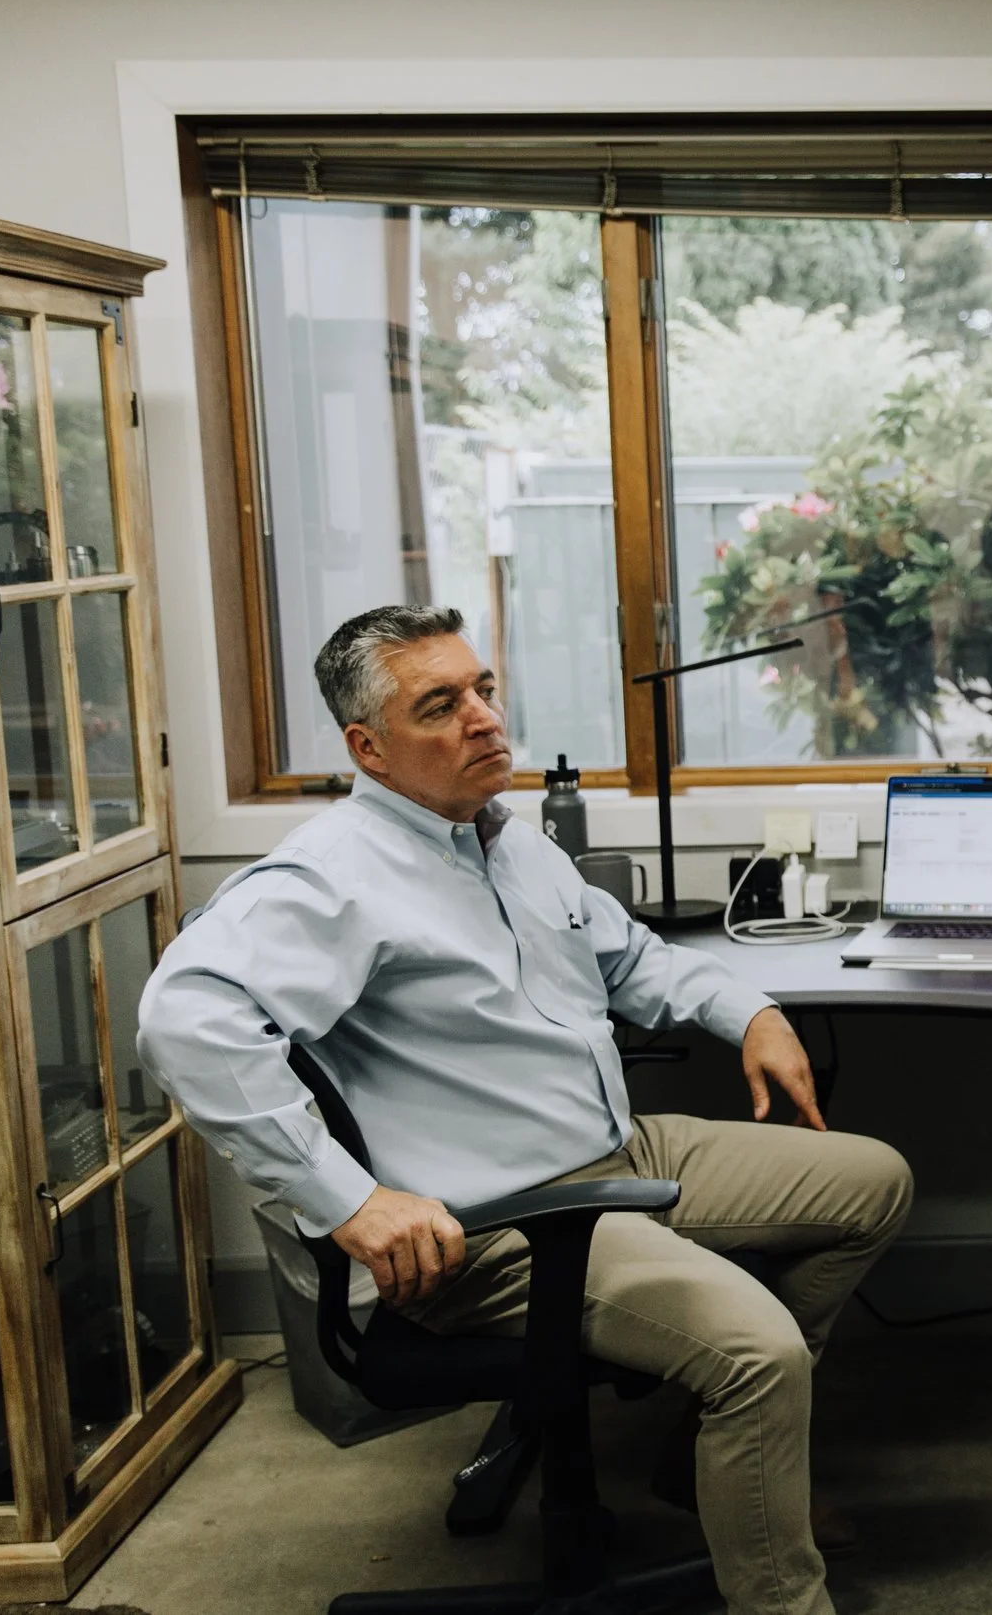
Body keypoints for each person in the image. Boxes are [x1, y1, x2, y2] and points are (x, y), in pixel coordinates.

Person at [140, 605, 909, 1615]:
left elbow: (631, 958)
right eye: (441, 705)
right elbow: (184, 1019)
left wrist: (751, 1008)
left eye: (483, 689)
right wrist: (349, 1199)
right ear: (367, 746)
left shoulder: (506, 837)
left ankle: (704, 1456)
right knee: (756, 1351)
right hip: (508, 1221)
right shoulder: (331, 877)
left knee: (871, 1182)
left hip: (613, 1153)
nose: (484, 718)